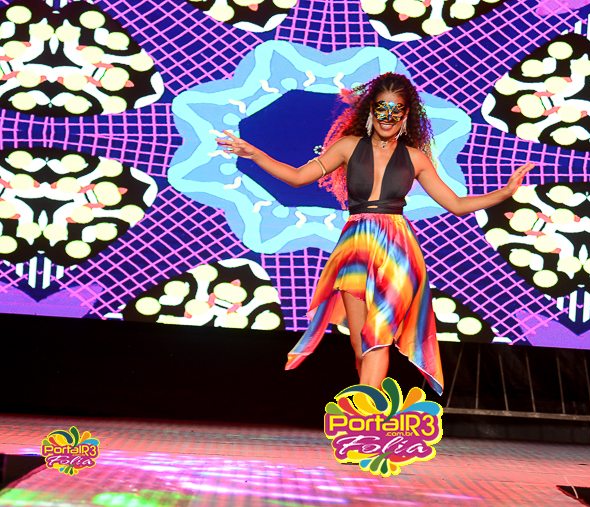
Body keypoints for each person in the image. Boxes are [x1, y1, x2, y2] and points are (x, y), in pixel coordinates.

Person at [217, 72, 535, 396]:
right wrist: (255, 154)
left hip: (398, 250)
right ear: (371, 110)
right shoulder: (348, 146)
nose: (387, 116)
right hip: (355, 247)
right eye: (382, 108)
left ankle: (367, 417)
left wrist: (504, 193)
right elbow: (298, 177)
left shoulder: (416, 158)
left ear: (406, 115)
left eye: (396, 110)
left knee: (378, 338)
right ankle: (368, 407)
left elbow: (455, 204)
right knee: (360, 345)